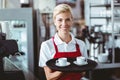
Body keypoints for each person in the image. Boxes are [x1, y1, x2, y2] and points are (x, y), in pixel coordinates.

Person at [39, 4, 88, 80]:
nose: (64, 24)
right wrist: (66, 67)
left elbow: (83, 72)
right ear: (55, 21)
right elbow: (49, 77)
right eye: (60, 20)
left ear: (72, 21)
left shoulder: (81, 44)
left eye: (67, 19)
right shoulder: (46, 45)